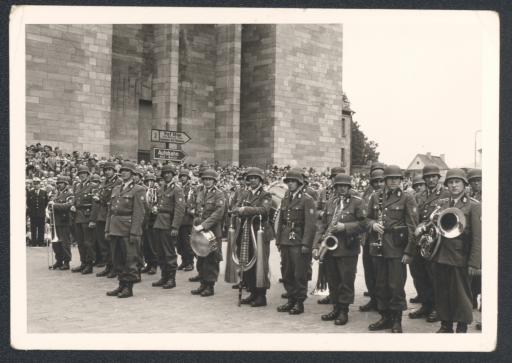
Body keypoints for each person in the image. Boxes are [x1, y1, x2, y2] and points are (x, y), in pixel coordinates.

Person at [366, 165, 418, 333]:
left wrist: (409, 251)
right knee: (380, 285)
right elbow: (366, 219)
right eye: (390, 178)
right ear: (386, 180)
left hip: (397, 249)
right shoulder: (376, 196)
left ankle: (397, 320)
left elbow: (412, 226)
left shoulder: (407, 198)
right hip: (379, 248)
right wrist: (373, 225)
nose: (393, 181)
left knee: (395, 286)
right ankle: (385, 317)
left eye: (397, 178)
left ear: (401, 180)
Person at [431, 169, 481, 333]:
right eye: (450, 182)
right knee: (442, 291)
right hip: (441, 254)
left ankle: (461, 325)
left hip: (461, 255)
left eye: (457, 182)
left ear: (464, 184)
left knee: (461, 293)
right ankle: (445, 324)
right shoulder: (443, 203)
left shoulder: (473, 205)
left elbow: (477, 237)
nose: (453, 185)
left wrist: (474, 262)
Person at [314, 173, 367, 325]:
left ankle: (344, 310)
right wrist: (317, 244)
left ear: (349, 187)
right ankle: (336, 307)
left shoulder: (358, 202)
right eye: (339, 186)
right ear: (335, 187)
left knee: (346, 280)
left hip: (348, 248)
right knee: (333, 279)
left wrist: (345, 227)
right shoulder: (331, 202)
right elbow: (322, 225)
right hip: (331, 248)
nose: (342, 188)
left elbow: (364, 224)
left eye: (345, 186)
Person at [409, 165, 449, 323]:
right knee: (419, 274)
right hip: (420, 241)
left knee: (435, 276)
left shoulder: (446, 194)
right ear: (424, 179)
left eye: (434, 176)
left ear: (438, 178)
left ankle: (438, 308)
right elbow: (413, 216)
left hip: (436, 242)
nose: (431, 179)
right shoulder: (418, 195)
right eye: (428, 177)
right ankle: (426, 304)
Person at [276, 168, 316, 315]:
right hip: (286, 239)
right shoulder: (286, 198)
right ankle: (291, 299)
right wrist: (279, 240)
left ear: (299, 182)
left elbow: (310, 225)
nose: (291, 184)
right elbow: (281, 221)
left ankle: (299, 302)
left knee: (299, 273)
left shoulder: (307, 199)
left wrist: (306, 244)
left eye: (293, 181)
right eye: (288, 181)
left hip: (299, 241)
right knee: (286, 272)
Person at [231, 167, 273, 307]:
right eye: (250, 178)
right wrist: (238, 210)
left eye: (255, 178)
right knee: (246, 262)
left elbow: (264, 211)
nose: (252, 180)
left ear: (260, 180)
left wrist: (245, 210)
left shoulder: (265, 195)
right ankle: (252, 292)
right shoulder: (245, 194)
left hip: (259, 232)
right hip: (245, 232)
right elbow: (235, 207)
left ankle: (261, 295)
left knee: (260, 264)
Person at [105, 162, 146, 298]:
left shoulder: (138, 189)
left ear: (133, 174)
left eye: (127, 171)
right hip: (115, 227)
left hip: (128, 228)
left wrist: (134, 231)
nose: (123, 173)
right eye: (122, 171)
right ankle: (121, 284)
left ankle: (128, 287)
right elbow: (110, 211)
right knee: (117, 259)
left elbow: (139, 213)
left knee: (129, 259)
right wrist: (107, 229)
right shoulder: (116, 188)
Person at [190, 169, 226, 297]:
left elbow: (218, 213)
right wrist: (196, 224)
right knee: (201, 257)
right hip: (200, 230)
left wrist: (204, 225)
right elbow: (196, 209)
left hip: (212, 231)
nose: (207, 181)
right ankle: (203, 283)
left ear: (214, 181)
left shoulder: (219, 194)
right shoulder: (200, 192)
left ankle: (210, 286)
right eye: (205, 179)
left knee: (211, 259)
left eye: (210, 179)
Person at [151, 164, 185, 290]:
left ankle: (171, 278)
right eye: (164, 173)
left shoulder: (177, 189)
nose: (166, 175)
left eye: (169, 173)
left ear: (173, 175)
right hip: (159, 222)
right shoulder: (161, 188)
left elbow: (180, 209)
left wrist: (175, 226)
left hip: (168, 223)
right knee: (160, 251)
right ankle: (164, 276)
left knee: (169, 252)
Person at [359, 167, 385, 312]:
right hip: (367, 237)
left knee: (380, 273)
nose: (379, 184)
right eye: (375, 182)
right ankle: (373, 299)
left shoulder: (389, 196)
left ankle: (382, 302)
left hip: (382, 239)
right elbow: (363, 216)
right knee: (369, 270)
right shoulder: (367, 195)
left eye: (381, 181)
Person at [93, 162, 121, 278]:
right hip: (102, 213)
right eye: (106, 170)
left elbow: (115, 198)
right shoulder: (104, 181)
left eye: (110, 170)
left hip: (111, 213)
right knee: (103, 242)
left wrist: (101, 199)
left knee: (112, 243)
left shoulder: (118, 182)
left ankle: (115, 267)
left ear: (114, 171)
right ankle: (108, 266)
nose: (107, 172)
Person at [70, 166, 96, 274]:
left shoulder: (93, 186)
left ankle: (89, 265)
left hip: (87, 216)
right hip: (78, 216)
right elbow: (76, 199)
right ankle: (83, 263)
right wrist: (73, 205)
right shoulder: (77, 186)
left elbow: (95, 204)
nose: (82, 175)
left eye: (84, 173)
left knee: (88, 242)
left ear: (88, 174)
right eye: (80, 173)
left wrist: (92, 219)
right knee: (80, 242)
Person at [47, 176, 74, 270]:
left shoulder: (69, 194)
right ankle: (59, 260)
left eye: (61, 183)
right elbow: (51, 206)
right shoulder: (55, 194)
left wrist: (54, 205)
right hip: (55, 221)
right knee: (56, 243)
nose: (59, 185)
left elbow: (69, 205)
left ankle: (66, 262)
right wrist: (50, 205)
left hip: (64, 221)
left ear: (66, 184)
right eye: (58, 183)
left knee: (65, 243)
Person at [467, 168, 482, 330]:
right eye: (473, 181)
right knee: (476, 280)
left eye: (479, 180)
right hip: (477, 241)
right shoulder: (473, 197)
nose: (476, 183)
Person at [176, 168, 195, 271]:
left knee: (187, 243)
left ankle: (190, 262)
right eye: (181, 176)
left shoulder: (191, 189)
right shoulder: (178, 188)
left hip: (187, 219)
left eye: (184, 176)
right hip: (179, 219)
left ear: (188, 178)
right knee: (180, 243)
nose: (182, 178)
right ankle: (184, 261)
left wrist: (189, 207)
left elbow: (193, 202)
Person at [141, 173, 159, 275]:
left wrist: (155, 208)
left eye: (151, 181)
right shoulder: (143, 191)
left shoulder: (157, 191)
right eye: (147, 181)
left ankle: (154, 265)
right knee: (145, 245)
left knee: (152, 244)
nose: (149, 183)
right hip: (144, 220)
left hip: (153, 220)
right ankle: (148, 263)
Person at [26, 177, 49, 247]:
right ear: (33, 184)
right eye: (34, 184)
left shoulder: (44, 192)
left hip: (41, 214)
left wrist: (41, 210)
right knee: (33, 228)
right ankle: (34, 242)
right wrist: (31, 212)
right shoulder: (30, 192)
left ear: (40, 185)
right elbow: (28, 203)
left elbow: (46, 203)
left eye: (37, 184)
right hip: (33, 214)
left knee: (41, 228)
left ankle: (41, 242)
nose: (36, 185)